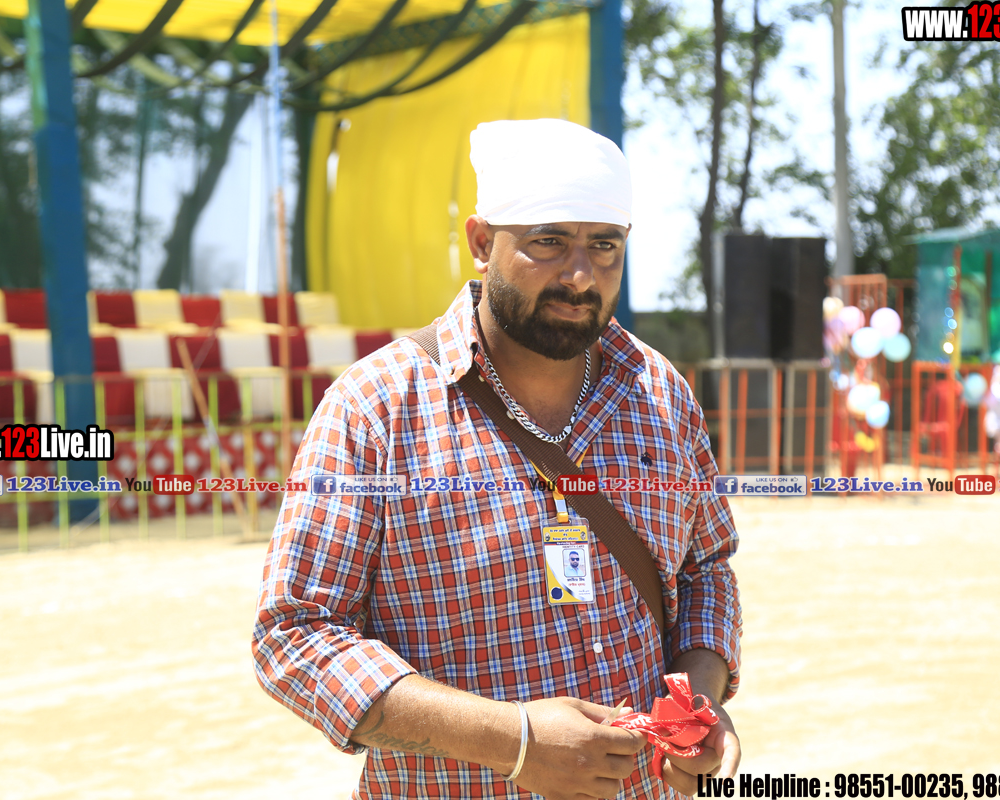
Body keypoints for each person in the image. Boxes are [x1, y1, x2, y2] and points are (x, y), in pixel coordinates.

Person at [252, 118, 742, 799]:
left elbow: (705, 568)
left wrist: (698, 701)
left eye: (605, 246)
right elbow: (295, 635)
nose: (581, 275)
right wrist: (513, 743)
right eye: (549, 242)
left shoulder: (659, 394)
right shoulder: (377, 409)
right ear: (482, 243)